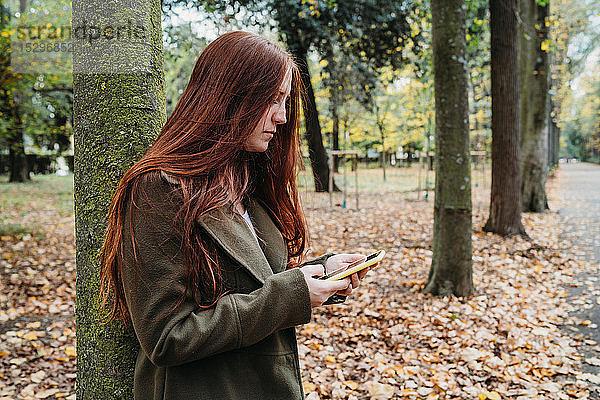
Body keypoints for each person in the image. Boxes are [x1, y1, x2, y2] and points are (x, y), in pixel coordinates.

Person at [99, 31, 371, 400]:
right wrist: (291, 294)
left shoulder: (247, 185)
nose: (282, 116)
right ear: (230, 97)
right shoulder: (159, 189)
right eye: (273, 100)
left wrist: (323, 272)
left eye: (286, 100)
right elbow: (166, 337)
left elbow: (257, 284)